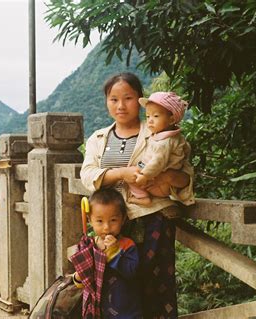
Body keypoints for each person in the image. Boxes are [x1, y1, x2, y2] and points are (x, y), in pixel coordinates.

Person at [80, 72, 194, 318]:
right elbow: (87, 175)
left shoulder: (160, 133)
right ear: (106, 101)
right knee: (113, 292)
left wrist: (162, 178)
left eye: (128, 98)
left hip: (152, 221)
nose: (121, 105)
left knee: (154, 289)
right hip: (110, 225)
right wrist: (122, 173)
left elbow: (185, 177)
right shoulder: (99, 138)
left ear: (140, 99)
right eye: (114, 99)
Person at [73, 188, 142, 318]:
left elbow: (132, 272)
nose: (106, 227)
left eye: (113, 220)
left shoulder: (127, 245)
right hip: (98, 310)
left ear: (123, 219)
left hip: (125, 311)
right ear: (89, 220)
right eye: (99, 221)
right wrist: (78, 277)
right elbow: (83, 280)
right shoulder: (89, 246)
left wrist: (115, 252)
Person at [127, 91, 193, 206]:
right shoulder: (173, 137)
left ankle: (142, 197)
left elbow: (158, 162)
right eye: (148, 116)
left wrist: (144, 175)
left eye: (156, 116)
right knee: (132, 170)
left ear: (172, 120)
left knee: (130, 178)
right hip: (161, 178)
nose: (150, 120)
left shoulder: (164, 142)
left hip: (159, 184)